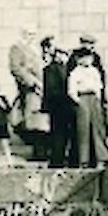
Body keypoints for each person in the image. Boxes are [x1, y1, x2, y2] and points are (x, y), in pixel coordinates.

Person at [67, 43, 108, 167]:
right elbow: (71, 89)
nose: (88, 60)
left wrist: (98, 99)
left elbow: (99, 86)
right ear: (79, 59)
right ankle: (83, 159)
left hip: (94, 99)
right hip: (82, 98)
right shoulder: (75, 73)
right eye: (85, 58)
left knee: (98, 128)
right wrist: (78, 101)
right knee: (83, 130)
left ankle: (102, 156)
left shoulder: (94, 71)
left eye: (89, 58)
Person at [40, 37, 73, 167]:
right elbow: (52, 91)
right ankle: (57, 159)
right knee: (58, 133)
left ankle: (63, 158)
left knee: (65, 133)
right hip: (59, 107)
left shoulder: (68, 69)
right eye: (60, 54)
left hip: (64, 106)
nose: (63, 57)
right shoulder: (51, 69)